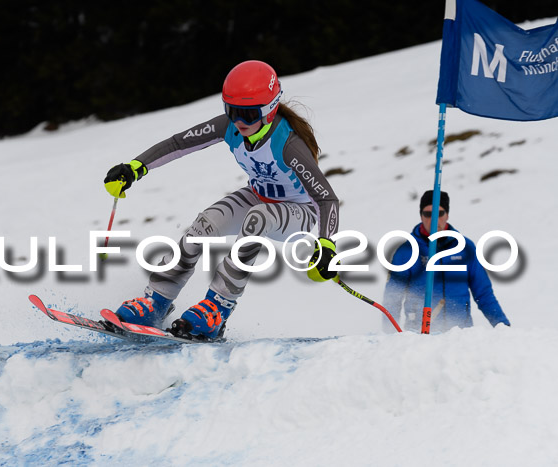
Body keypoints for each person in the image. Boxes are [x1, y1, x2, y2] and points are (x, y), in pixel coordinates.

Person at [103, 60, 340, 340]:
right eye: (232, 111)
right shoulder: (230, 127)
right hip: (258, 195)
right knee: (206, 223)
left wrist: (326, 244)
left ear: (270, 110)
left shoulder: (287, 144)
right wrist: (135, 167)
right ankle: (156, 301)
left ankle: (217, 309)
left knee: (258, 218)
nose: (239, 122)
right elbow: (180, 143)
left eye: (249, 115)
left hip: (298, 211)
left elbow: (326, 199)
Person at [382, 190, 510, 333]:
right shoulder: (407, 251)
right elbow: (392, 297)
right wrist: (390, 335)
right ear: (421, 216)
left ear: (447, 215)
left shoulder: (465, 248)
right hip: (419, 335)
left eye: (440, 213)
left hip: (459, 334)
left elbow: (484, 294)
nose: (434, 218)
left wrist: (503, 328)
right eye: (428, 214)